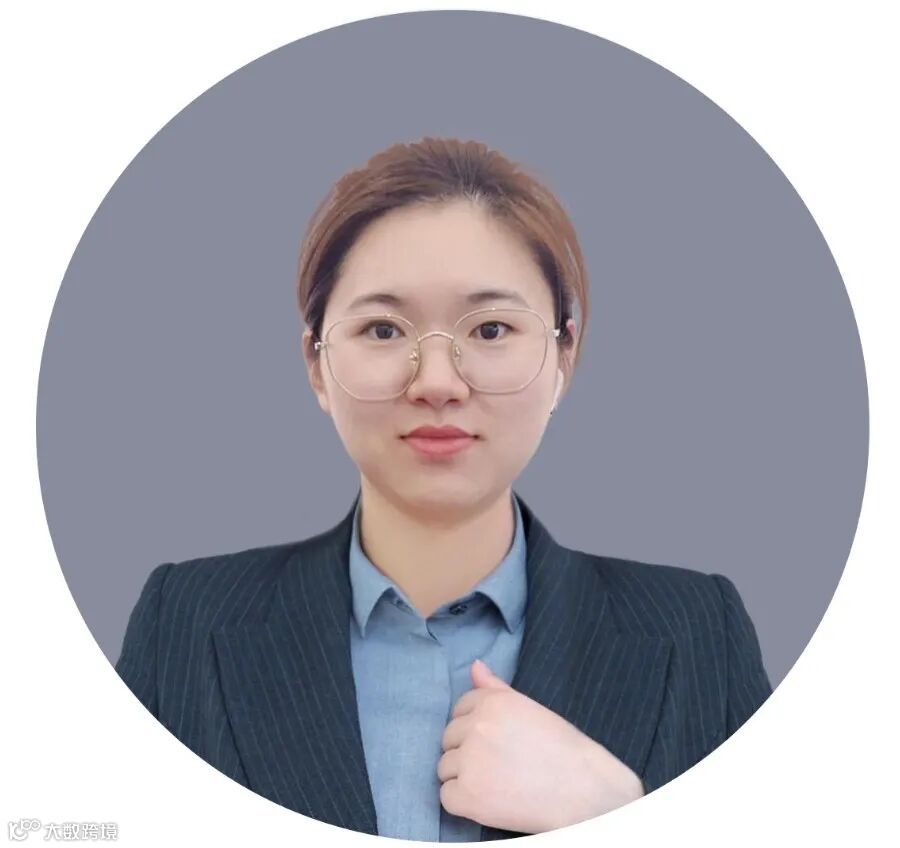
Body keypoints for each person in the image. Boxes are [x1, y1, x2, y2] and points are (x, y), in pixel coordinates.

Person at [115, 137, 772, 841]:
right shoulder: (186, 623)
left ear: (565, 356)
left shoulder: (698, 633)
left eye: (490, 329)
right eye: (383, 329)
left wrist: (614, 816)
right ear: (316, 364)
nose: (436, 382)